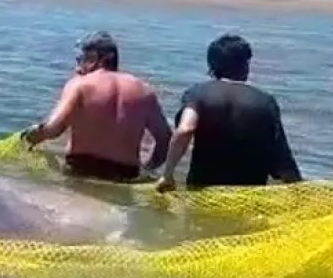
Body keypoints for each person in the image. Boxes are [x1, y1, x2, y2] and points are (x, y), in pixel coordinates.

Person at [155, 33, 302, 192]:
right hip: (250, 193)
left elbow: (185, 129)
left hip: (203, 190)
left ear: (212, 65)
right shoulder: (265, 101)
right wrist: (298, 189)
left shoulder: (198, 94)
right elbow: (281, 156)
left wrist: (167, 174)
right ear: (245, 65)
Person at [20, 31, 172, 182]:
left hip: (81, 169)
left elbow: (53, 129)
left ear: (95, 58)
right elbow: (165, 137)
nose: (77, 68)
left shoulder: (80, 85)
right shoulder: (144, 90)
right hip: (126, 174)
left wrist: (28, 138)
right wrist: (148, 168)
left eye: (81, 60)